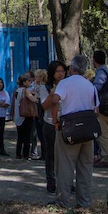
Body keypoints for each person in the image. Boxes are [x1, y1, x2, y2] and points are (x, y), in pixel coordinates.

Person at [50, 55, 99, 208]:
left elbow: (54, 100)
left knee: (65, 165)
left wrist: (55, 120)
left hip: (69, 127)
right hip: (88, 128)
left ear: (72, 68)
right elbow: (96, 108)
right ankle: (84, 201)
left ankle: (62, 200)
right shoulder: (90, 85)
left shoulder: (65, 83)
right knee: (85, 165)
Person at [36, 64, 63, 193]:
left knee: (65, 155)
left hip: (65, 123)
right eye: (58, 71)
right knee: (50, 154)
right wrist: (52, 95)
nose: (60, 74)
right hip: (50, 123)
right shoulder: (45, 87)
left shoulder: (67, 85)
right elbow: (45, 106)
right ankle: (51, 181)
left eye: (62, 71)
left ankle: (65, 181)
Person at [92, 50, 108, 168]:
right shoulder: (107, 70)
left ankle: (106, 157)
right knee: (105, 130)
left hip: (102, 107)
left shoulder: (101, 72)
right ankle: (104, 154)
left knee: (103, 132)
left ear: (94, 59)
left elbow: (96, 88)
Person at [11, 74, 37, 160]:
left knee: (20, 137)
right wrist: (36, 95)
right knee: (27, 137)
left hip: (18, 116)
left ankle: (18, 154)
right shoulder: (25, 91)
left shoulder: (16, 91)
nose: (30, 83)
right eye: (29, 81)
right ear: (24, 82)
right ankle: (26, 154)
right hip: (26, 115)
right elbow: (33, 99)